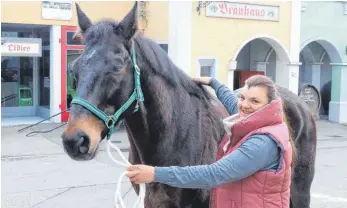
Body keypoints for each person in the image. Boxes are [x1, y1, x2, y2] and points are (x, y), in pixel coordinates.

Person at [126, 75, 296, 208]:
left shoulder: (262, 144)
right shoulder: (261, 120)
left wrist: (155, 174)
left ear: (270, 105)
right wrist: (214, 83)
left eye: (255, 101)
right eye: (243, 97)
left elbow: (213, 174)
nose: (244, 105)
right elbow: (234, 104)